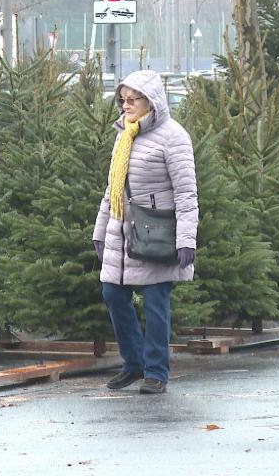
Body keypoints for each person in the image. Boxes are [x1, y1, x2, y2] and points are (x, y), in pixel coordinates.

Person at [92, 69, 198, 395]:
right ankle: (134, 362)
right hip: (121, 230)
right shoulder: (123, 135)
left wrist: (186, 239)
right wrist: (99, 230)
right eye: (122, 100)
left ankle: (156, 371)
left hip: (157, 231)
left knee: (155, 301)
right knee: (113, 293)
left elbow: (186, 192)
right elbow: (113, 189)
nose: (125, 106)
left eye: (132, 99)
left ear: (149, 101)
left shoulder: (173, 136)